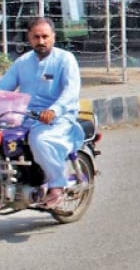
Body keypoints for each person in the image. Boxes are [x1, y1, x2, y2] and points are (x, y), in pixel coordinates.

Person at [0, 17, 84, 209]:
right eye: (36, 37)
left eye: (45, 36)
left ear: (53, 37)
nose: (41, 41)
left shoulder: (65, 59)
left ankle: (57, 184)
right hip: (25, 117)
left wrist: (54, 110)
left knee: (39, 139)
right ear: (29, 38)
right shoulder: (22, 62)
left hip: (58, 118)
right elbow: (4, 88)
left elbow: (71, 91)